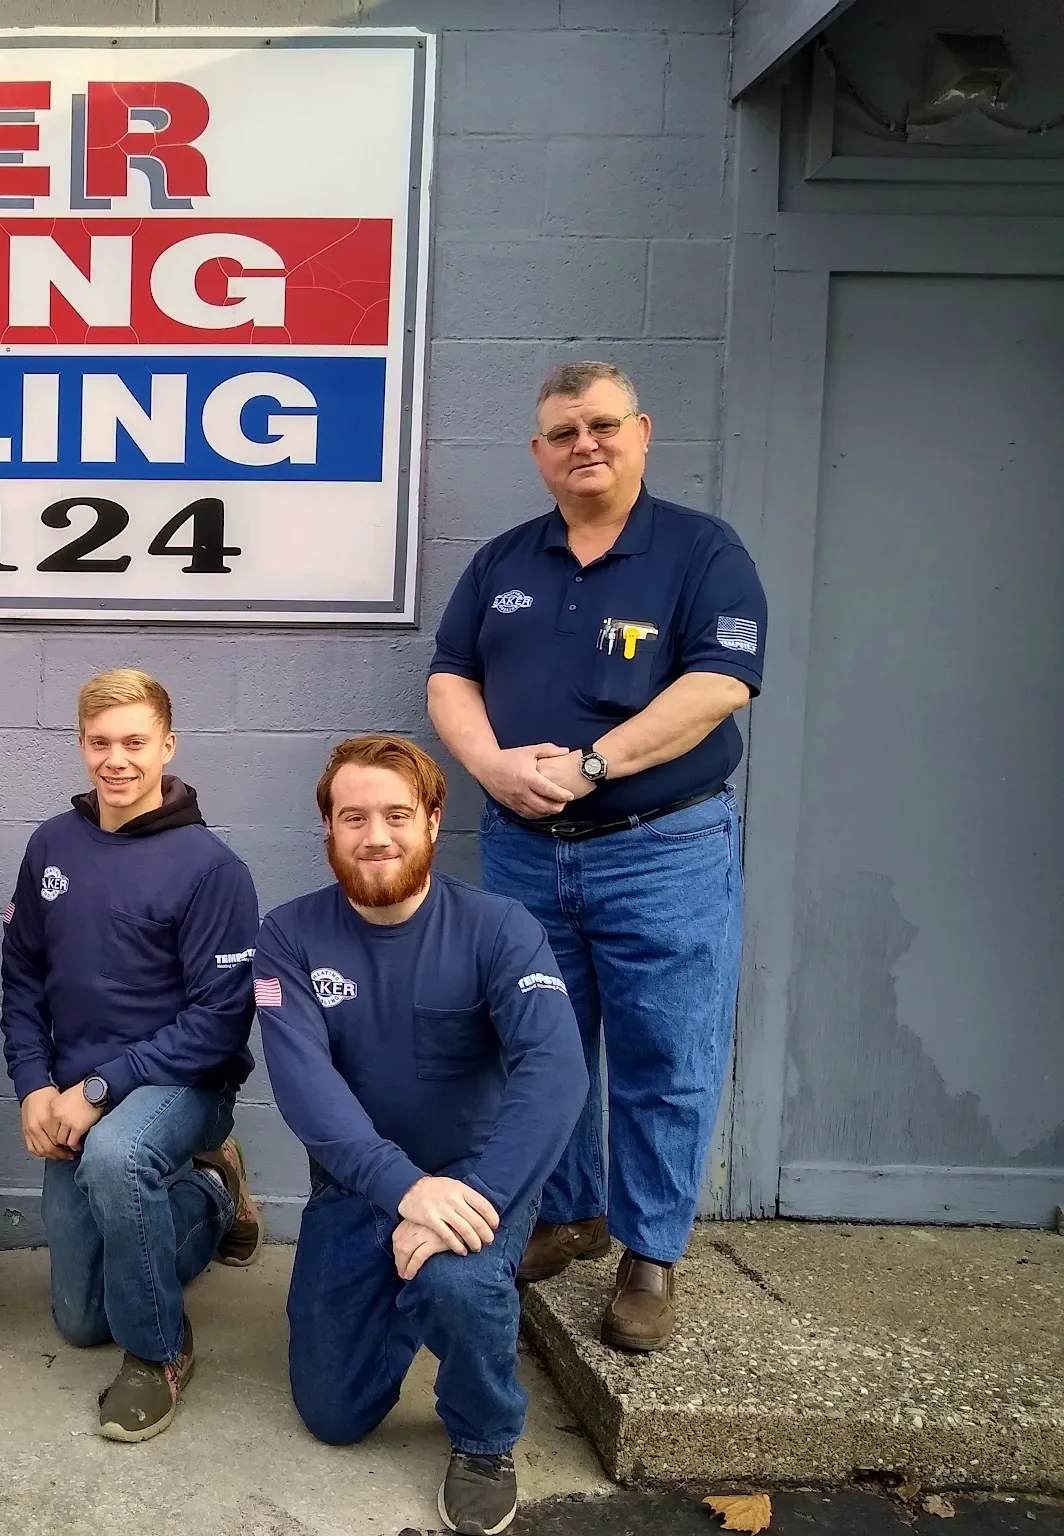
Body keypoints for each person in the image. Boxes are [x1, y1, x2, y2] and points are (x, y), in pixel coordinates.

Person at [426, 360, 767, 1351]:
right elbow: (449, 674)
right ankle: (569, 1214)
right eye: (564, 432)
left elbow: (720, 683)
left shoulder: (701, 551)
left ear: (641, 433)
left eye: (603, 425)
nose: (585, 444)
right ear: (538, 452)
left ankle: (650, 1252)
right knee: (541, 1045)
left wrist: (591, 765)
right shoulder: (503, 562)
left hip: (662, 851)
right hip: (524, 852)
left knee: (667, 1054)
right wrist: (490, 766)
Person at [255, 735, 587, 1536]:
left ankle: (484, 1437)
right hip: (360, 1184)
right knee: (333, 1414)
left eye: (398, 815)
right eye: (354, 817)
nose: (376, 836)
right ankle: (407, 1289)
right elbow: (306, 1089)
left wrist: (479, 1195)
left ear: (434, 821)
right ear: (329, 828)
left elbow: (556, 1074)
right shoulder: (288, 936)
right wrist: (405, 1191)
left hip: (478, 1180)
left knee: (458, 1283)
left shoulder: (499, 929)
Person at [0, 667, 262, 1442]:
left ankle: (159, 1352)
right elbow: (22, 978)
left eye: (135, 743)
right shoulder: (52, 845)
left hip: (183, 1080)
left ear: (167, 746)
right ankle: (209, 1192)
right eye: (100, 742)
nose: (117, 760)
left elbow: (220, 1021)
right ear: (81, 744)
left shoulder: (211, 868)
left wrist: (98, 1089)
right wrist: (32, 1086)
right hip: (76, 1086)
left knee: (117, 1158)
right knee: (83, 1321)